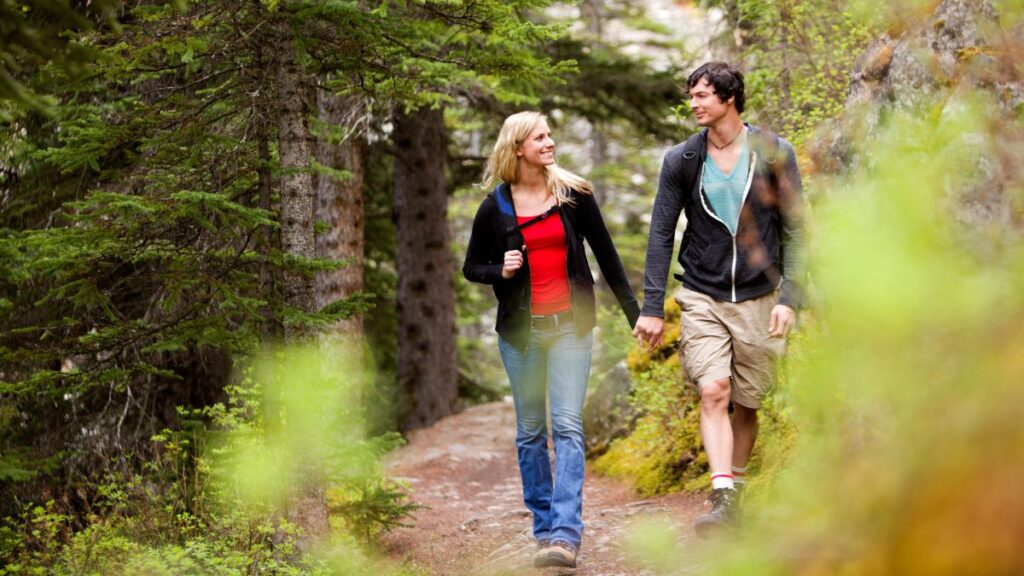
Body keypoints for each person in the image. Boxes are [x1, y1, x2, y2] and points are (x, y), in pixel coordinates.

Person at [633, 62, 805, 537]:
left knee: (748, 403)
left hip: (760, 296)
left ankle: (737, 493)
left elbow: (797, 230)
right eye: (691, 96)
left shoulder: (774, 153)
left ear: (729, 98)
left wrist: (790, 297)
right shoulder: (683, 160)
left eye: (703, 95)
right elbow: (661, 234)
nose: (694, 104)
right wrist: (651, 307)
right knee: (714, 390)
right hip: (702, 294)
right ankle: (722, 492)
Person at [463, 111, 640, 568]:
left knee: (567, 427)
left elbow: (607, 256)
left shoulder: (573, 195)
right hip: (521, 336)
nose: (550, 142)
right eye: (540, 137)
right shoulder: (496, 207)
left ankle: (565, 533)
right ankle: (543, 529)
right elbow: (471, 267)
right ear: (518, 147)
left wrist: (637, 315)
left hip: (569, 330)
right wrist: (499, 269)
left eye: (549, 135)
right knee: (530, 434)